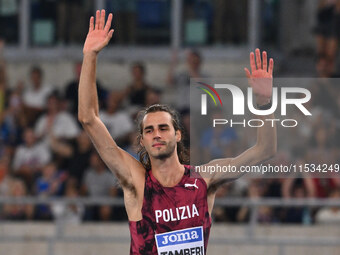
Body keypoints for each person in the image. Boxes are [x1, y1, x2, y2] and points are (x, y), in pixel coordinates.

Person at [78, 10, 277, 255]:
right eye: (149, 130)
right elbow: (89, 119)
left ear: (178, 134)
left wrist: (265, 103)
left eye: (163, 127)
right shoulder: (137, 181)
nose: (157, 134)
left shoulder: (204, 179)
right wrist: (90, 56)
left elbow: (264, 150)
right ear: (142, 141)